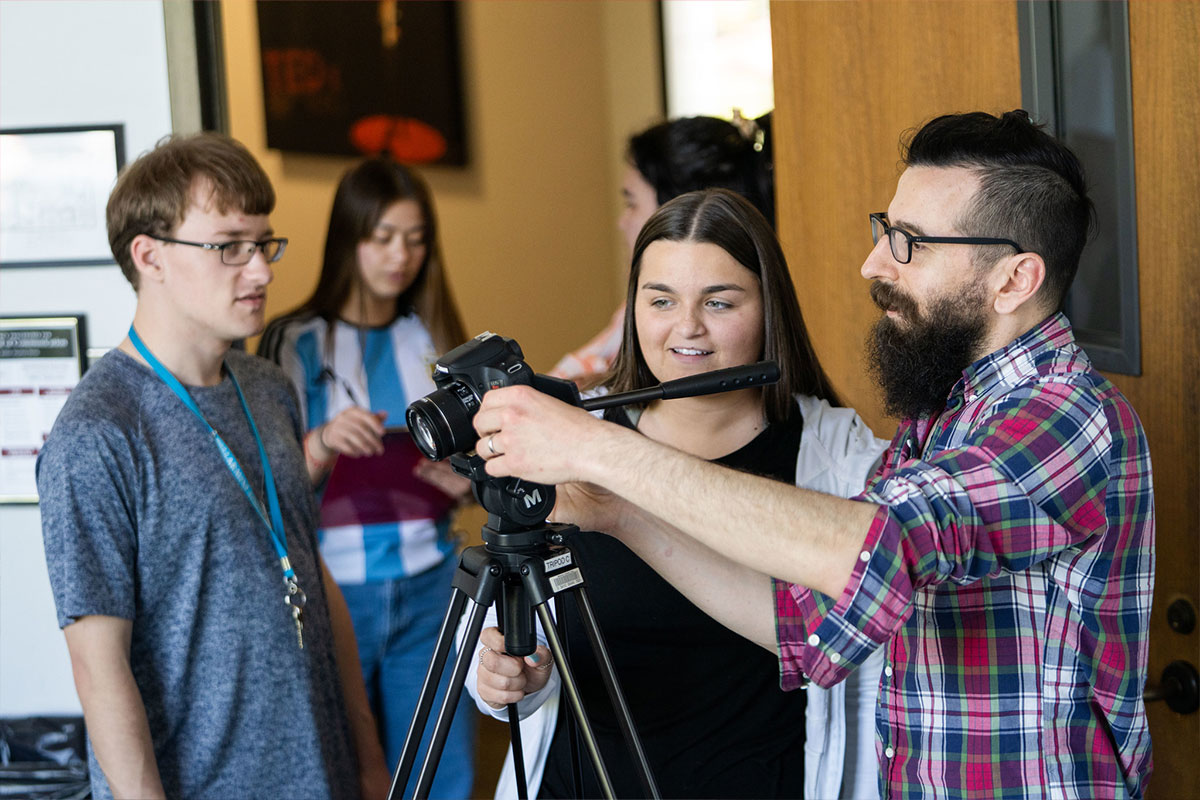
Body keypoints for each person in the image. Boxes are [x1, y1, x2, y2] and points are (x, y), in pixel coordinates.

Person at [468, 111, 1155, 799]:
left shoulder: (1067, 419)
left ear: (1014, 280)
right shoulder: (940, 426)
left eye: (910, 243)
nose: (873, 263)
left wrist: (595, 446)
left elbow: (875, 551)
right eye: (885, 231)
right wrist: (620, 513)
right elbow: (808, 625)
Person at [468, 189, 887, 799]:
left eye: (719, 302)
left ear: (771, 309)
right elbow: (502, 633)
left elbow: (863, 650)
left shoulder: (839, 461)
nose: (686, 328)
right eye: (660, 300)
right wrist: (508, 676)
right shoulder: (568, 444)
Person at [36, 133, 390, 800]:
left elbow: (310, 573)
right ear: (150, 256)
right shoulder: (98, 431)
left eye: (264, 245)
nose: (260, 271)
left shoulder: (268, 388)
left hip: (326, 774)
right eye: (229, 247)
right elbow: (97, 663)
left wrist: (369, 759)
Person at [257, 157, 475, 798]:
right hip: (329, 586)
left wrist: (465, 476)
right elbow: (263, 484)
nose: (398, 255)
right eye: (381, 236)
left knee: (440, 770)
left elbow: (480, 453)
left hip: (432, 582)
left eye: (414, 238)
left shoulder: (435, 337)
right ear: (348, 238)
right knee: (336, 770)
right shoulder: (293, 340)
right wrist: (322, 442)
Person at [550, 113, 774, 381]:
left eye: (632, 204)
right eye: (663, 302)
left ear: (682, 212)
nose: (623, 223)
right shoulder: (637, 310)